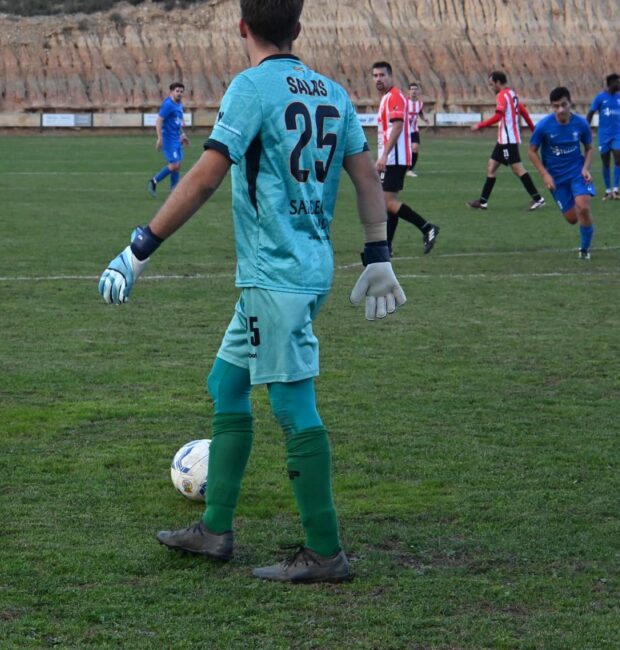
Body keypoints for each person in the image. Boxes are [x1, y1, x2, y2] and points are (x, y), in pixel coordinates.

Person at [98, 0, 408, 584]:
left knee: (291, 404)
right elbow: (367, 176)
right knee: (227, 383)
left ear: (242, 27)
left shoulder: (249, 88)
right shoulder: (333, 93)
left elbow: (207, 175)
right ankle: (214, 530)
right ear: (297, 30)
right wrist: (377, 252)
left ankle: (325, 551)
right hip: (298, 270)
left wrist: (141, 248)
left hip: (276, 275)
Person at [372, 61, 440, 253]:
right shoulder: (386, 98)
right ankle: (388, 246)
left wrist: (384, 155)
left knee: (388, 202)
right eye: (375, 75)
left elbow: (398, 125)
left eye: (382, 75)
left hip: (395, 158)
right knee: (388, 203)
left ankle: (427, 228)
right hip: (392, 157)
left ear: (391, 76)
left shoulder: (394, 96)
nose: (378, 79)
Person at [526, 87, 597, 260]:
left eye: (563, 105)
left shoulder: (581, 124)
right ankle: (578, 216)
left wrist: (585, 168)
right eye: (556, 106)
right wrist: (545, 174)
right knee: (572, 218)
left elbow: (589, 148)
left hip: (577, 173)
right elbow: (531, 151)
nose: (560, 110)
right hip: (556, 178)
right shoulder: (544, 126)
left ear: (570, 103)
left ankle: (585, 250)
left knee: (584, 208)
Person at [466, 71, 547, 211]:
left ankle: (538, 199)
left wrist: (480, 125)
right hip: (503, 139)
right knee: (491, 167)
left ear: (498, 82)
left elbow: (498, 117)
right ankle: (483, 202)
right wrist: (534, 130)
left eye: (492, 84)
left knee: (517, 169)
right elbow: (524, 112)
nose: (491, 87)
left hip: (508, 140)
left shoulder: (502, 95)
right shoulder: (512, 94)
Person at [587, 73, 620, 200]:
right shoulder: (600, 98)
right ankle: (607, 191)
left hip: (617, 134)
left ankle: (616, 189)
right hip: (604, 135)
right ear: (610, 84)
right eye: (617, 82)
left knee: (618, 158)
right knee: (605, 162)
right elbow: (590, 114)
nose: (619, 84)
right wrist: (585, 131)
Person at [148, 82, 190, 197]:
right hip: (168, 139)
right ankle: (154, 181)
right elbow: (159, 120)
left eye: (181, 91)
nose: (179, 93)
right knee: (174, 165)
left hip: (176, 138)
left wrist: (183, 134)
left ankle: (174, 190)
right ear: (171, 92)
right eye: (177, 91)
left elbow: (177, 121)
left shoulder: (179, 104)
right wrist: (159, 138)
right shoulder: (168, 105)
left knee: (178, 165)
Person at [406, 82, 428, 177]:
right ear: (409, 91)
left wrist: (425, 119)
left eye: (415, 89)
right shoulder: (404, 102)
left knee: (415, 148)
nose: (414, 91)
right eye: (412, 89)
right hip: (404, 130)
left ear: (418, 91)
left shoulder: (420, 103)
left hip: (414, 130)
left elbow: (420, 113)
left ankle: (410, 170)